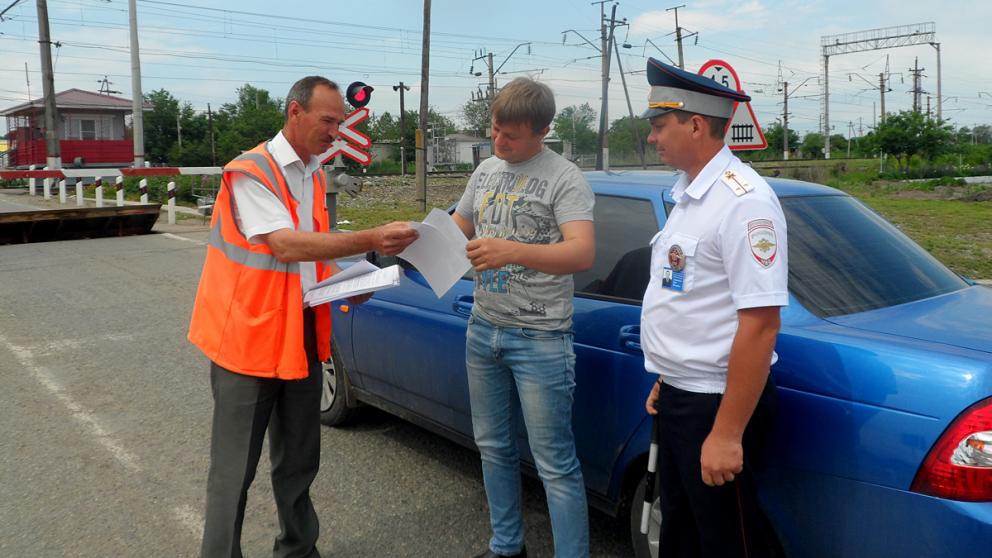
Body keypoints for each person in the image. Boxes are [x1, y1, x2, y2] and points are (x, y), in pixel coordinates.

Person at [188, 75, 417, 558]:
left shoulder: (312, 171)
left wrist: (345, 282)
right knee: (233, 473)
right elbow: (285, 245)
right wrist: (372, 238)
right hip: (247, 345)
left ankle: (297, 549)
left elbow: (313, 251)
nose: (336, 131)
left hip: (300, 337)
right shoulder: (251, 171)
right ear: (295, 113)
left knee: (298, 462)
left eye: (340, 122)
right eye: (328, 120)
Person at [639, 58, 788, 558]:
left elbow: (761, 324)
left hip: (716, 404)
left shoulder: (745, 203)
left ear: (696, 124)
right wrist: (668, 374)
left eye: (660, 126)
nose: (653, 138)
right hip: (684, 396)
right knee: (683, 533)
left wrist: (726, 434)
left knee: (730, 539)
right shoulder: (690, 195)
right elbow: (689, 297)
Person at [450, 77, 596, 558]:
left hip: (541, 338)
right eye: (494, 130)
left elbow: (581, 253)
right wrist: (417, 239)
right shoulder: (486, 170)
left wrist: (511, 249)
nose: (499, 142)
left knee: (554, 464)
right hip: (483, 328)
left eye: (511, 135)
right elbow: (458, 229)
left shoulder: (564, 177)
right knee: (492, 446)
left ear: (543, 131)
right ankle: (507, 546)